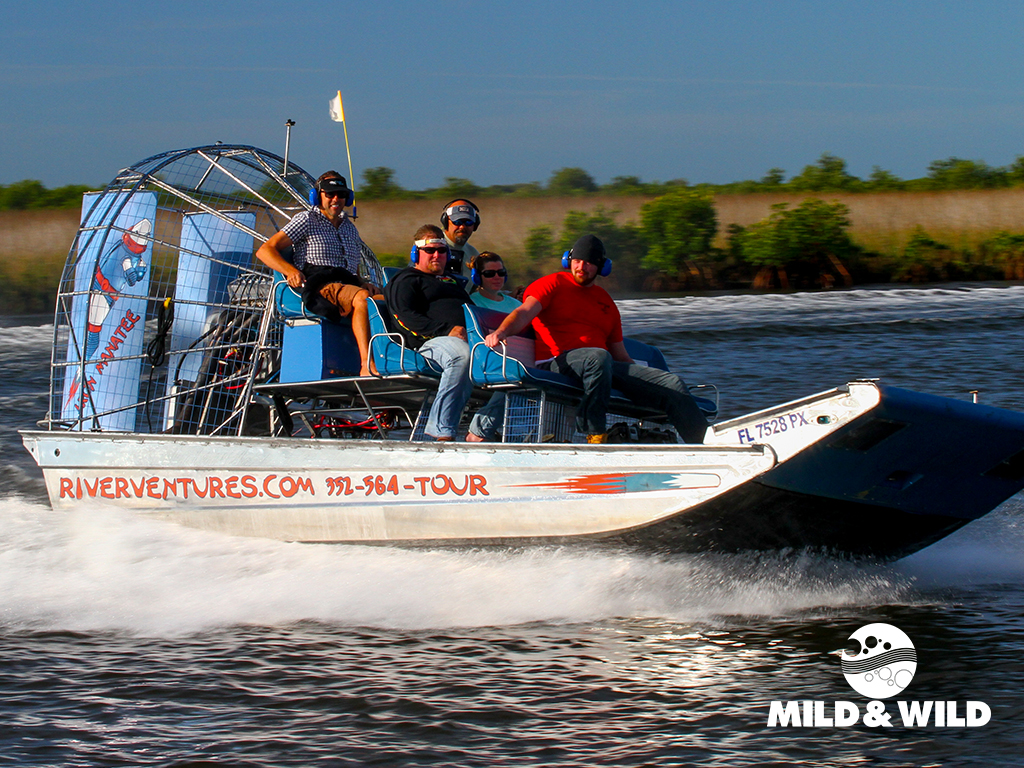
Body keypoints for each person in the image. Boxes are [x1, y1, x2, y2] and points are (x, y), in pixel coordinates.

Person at [484, 234, 708, 444]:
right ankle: (594, 432)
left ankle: (706, 445)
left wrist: (643, 381)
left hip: (601, 366)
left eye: (590, 262)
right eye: (578, 260)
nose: (582, 267)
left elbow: (620, 355)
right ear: (568, 260)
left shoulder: (606, 302)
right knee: (598, 357)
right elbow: (524, 313)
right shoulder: (552, 283)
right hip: (558, 362)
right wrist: (501, 332)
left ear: (602, 267)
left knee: (672, 383)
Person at [256, 171, 381, 376]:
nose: (335, 199)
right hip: (320, 284)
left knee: (386, 300)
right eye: (329, 194)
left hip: (346, 283)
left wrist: (363, 281)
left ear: (347, 198)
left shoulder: (350, 229)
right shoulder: (306, 220)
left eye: (340, 195)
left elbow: (353, 269)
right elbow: (265, 250)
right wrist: (290, 271)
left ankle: (393, 360)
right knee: (363, 299)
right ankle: (367, 365)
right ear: (317, 196)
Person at [384, 225, 473, 441]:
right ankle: (440, 431)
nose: (437, 256)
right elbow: (403, 317)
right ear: (416, 254)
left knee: (507, 358)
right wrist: (446, 330)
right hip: (427, 345)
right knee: (462, 356)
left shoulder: (452, 282)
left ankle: (482, 432)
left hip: (467, 338)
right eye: (430, 251)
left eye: (441, 251)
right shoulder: (406, 280)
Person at [465, 252, 520, 442]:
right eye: (489, 274)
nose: (496, 277)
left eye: (500, 272)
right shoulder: (473, 302)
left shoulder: (515, 304)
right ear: (478, 277)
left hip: (517, 355)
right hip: (489, 358)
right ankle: (479, 432)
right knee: (516, 382)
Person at [440, 199, 481, 277]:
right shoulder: (431, 249)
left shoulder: (473, 254)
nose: (462, 227)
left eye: (469, 222)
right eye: (457, 221)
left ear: (475, 225)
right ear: (445, 222)